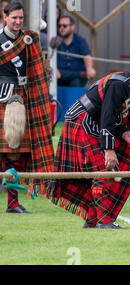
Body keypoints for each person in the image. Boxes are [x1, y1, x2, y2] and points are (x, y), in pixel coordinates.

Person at [47, 60, 130, 229]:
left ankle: (92, 220)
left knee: (102, 172)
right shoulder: (119, 84)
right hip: (81, 121)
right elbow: (107, 117)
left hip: (90, 122)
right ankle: (104, 221)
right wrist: (109, 150)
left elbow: (112, 115)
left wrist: (124, 132)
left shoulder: (129, 87)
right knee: (103, 171)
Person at [0, 1, 54, 213]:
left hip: (24, 98)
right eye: (14, 18)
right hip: (3, 98)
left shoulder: (29, 39)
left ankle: (13, 203)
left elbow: (37, 69)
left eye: (21, 18)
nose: (18, 21)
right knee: (7, 151)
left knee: (18, 152)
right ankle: (12, 202)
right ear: (5, 17)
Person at [56, 15, 96, 87]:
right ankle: (80, 74)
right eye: (59, 26)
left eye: (64, 26)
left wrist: (89, 68)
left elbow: (87, 56)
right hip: (60, 76)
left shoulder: (80, 41)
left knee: (76, 82)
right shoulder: (55, 40)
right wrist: (52, 68)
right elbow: (48, 56)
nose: (61, 28)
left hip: (76, 79)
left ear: (72, 27)